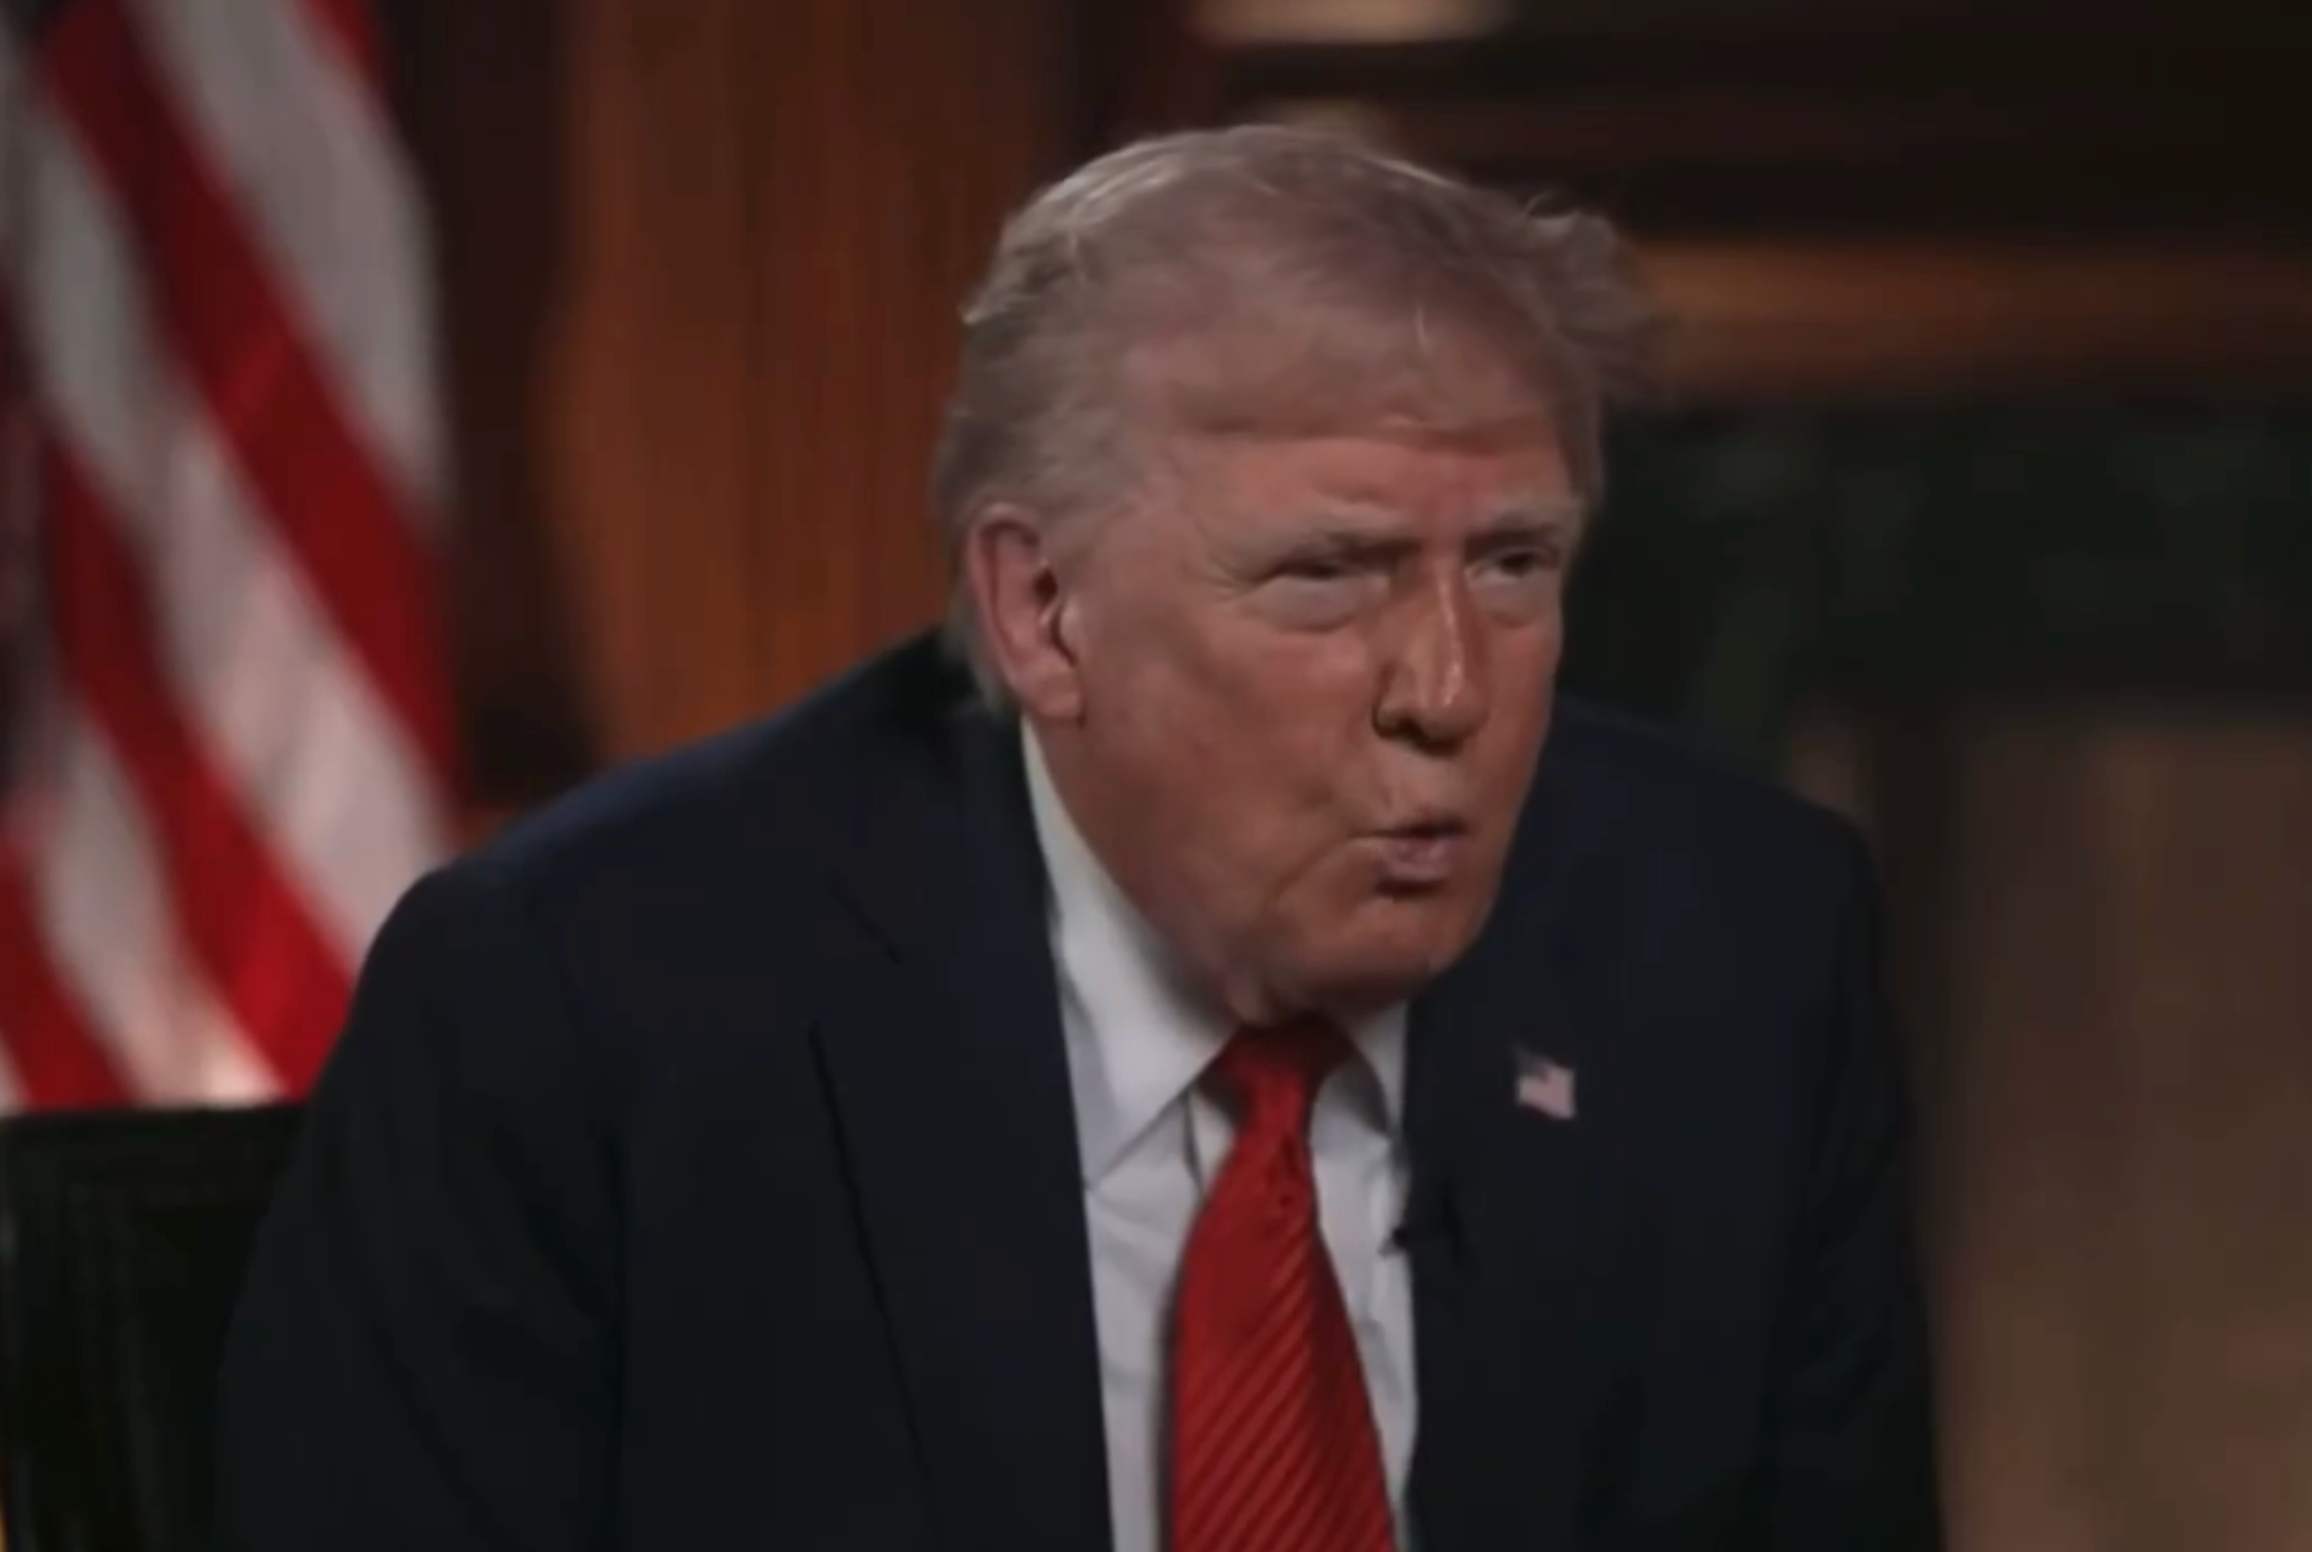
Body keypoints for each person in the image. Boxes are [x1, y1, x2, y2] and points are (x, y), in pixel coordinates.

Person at [216, 125, 1941, 1551]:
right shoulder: (589, 1008)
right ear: (1042, 610)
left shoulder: (1737, 957)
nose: (1445, 690)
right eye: (1329, 575)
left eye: (1512, 565)